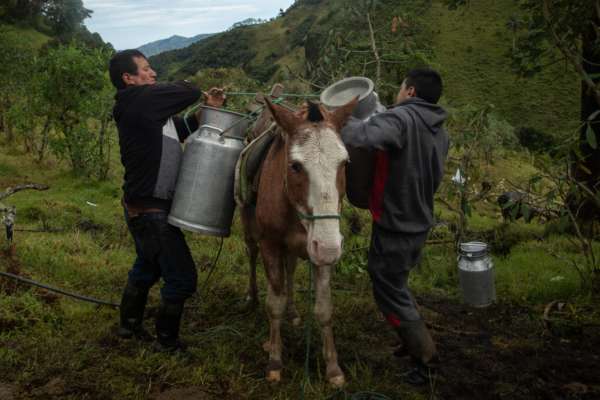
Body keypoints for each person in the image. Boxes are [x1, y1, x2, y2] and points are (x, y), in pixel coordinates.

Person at [108, 49, 225, 352]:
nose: (153, 73)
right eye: (146, 69)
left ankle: (128, 326)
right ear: (128, 78)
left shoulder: (148, 111)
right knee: (182, 277)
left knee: (148, 266)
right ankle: (167, 342)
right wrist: (196, 91)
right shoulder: (138, 101)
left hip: (144, 208)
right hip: (151, 212)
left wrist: (206, 110)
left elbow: (182, 129)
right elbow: (187, 90)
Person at [341, 68, 448, 385]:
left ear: (411, 91)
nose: (398, 94)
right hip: (419, 220)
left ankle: (426, 360)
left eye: (401, 88)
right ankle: (408, 337)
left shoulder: (401, 119)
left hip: (396, 223)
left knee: (388, 289)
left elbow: (360, 137)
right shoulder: (439, 130)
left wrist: (339, 115)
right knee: (396, 282)